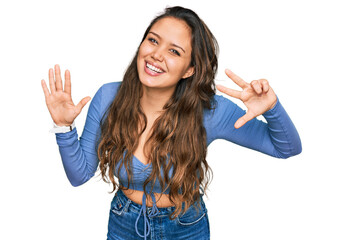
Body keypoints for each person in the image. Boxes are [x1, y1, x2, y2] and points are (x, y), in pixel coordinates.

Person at [41, 6, 302, 240]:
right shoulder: (109, 97)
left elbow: (286, 148)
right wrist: (64, 128)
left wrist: (272, 108)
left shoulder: (210, 111)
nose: (156, 54)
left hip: (185, 226)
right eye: (153, 40)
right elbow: (79, 175)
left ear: (190, 69)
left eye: (174, 51)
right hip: (124, 223)